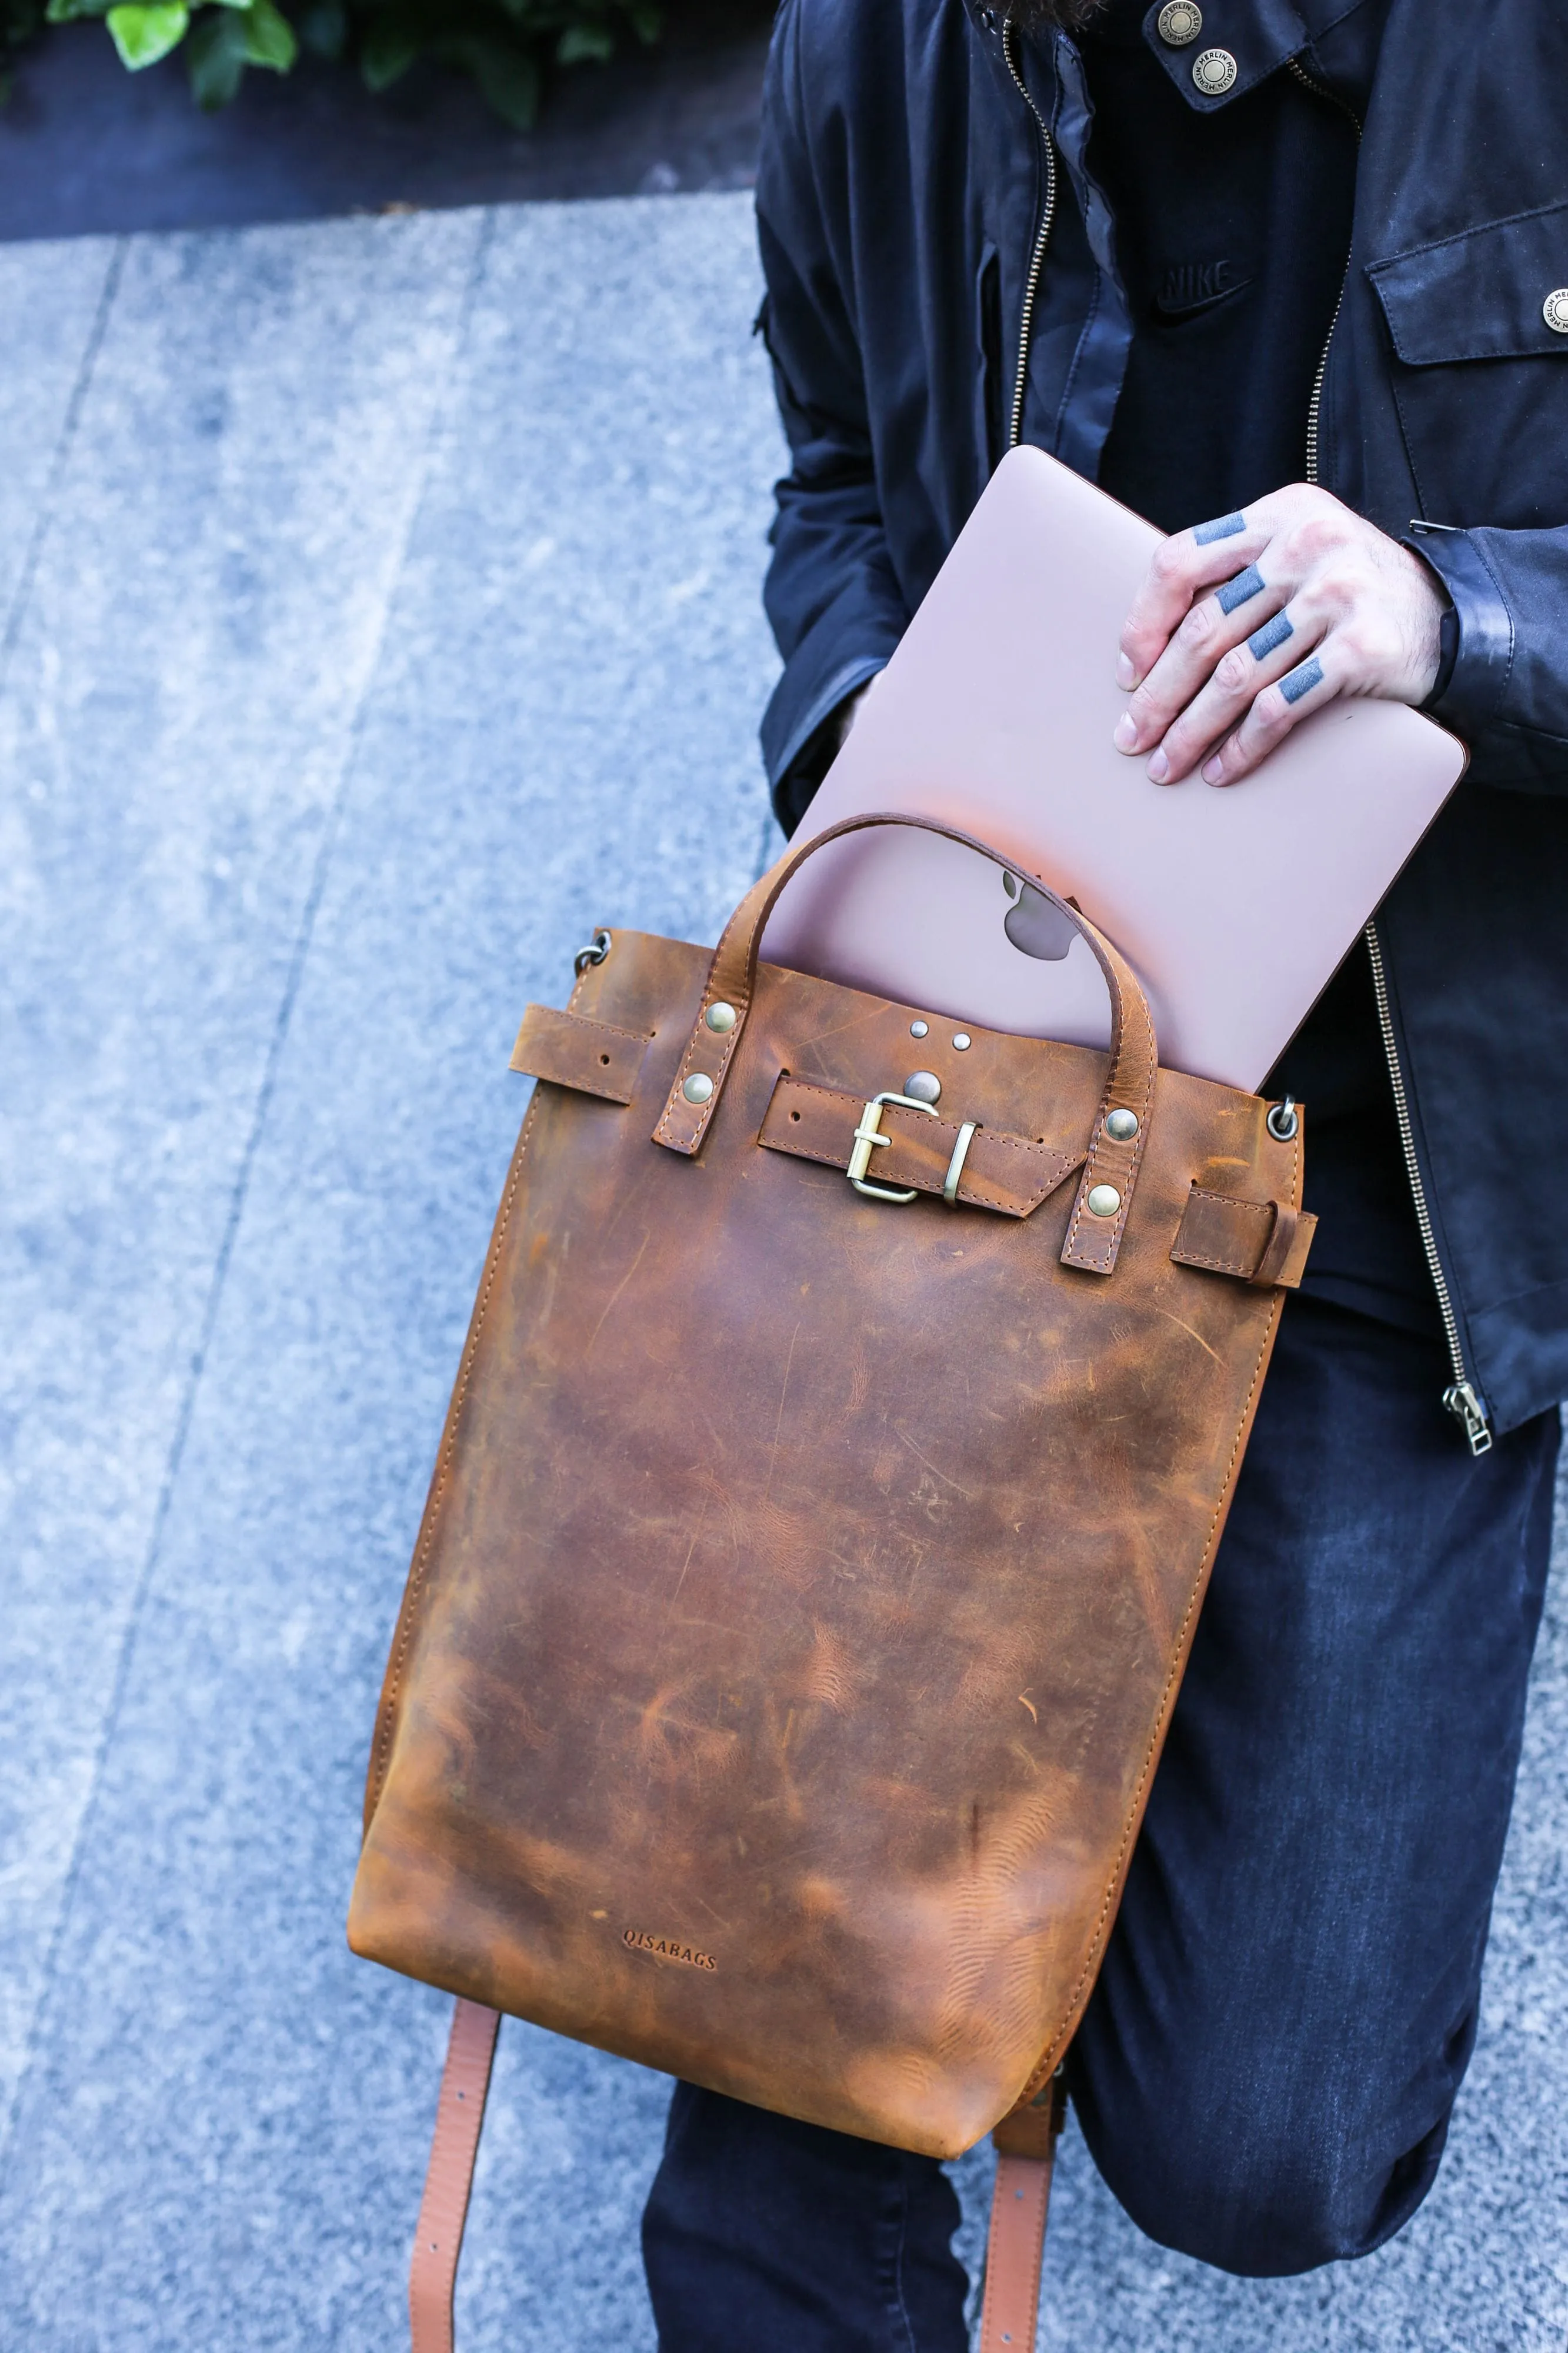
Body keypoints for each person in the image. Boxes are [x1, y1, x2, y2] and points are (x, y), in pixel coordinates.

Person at [640, 1, 1568, 2342]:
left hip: (1404, 1190)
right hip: (979, 1111)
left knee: (1267, 2151)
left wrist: (1455, 621)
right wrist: (868, 739)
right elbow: (838, 471)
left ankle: (1030, 1740)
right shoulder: (874, 45)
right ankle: (835, 1999)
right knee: (756, 2219)